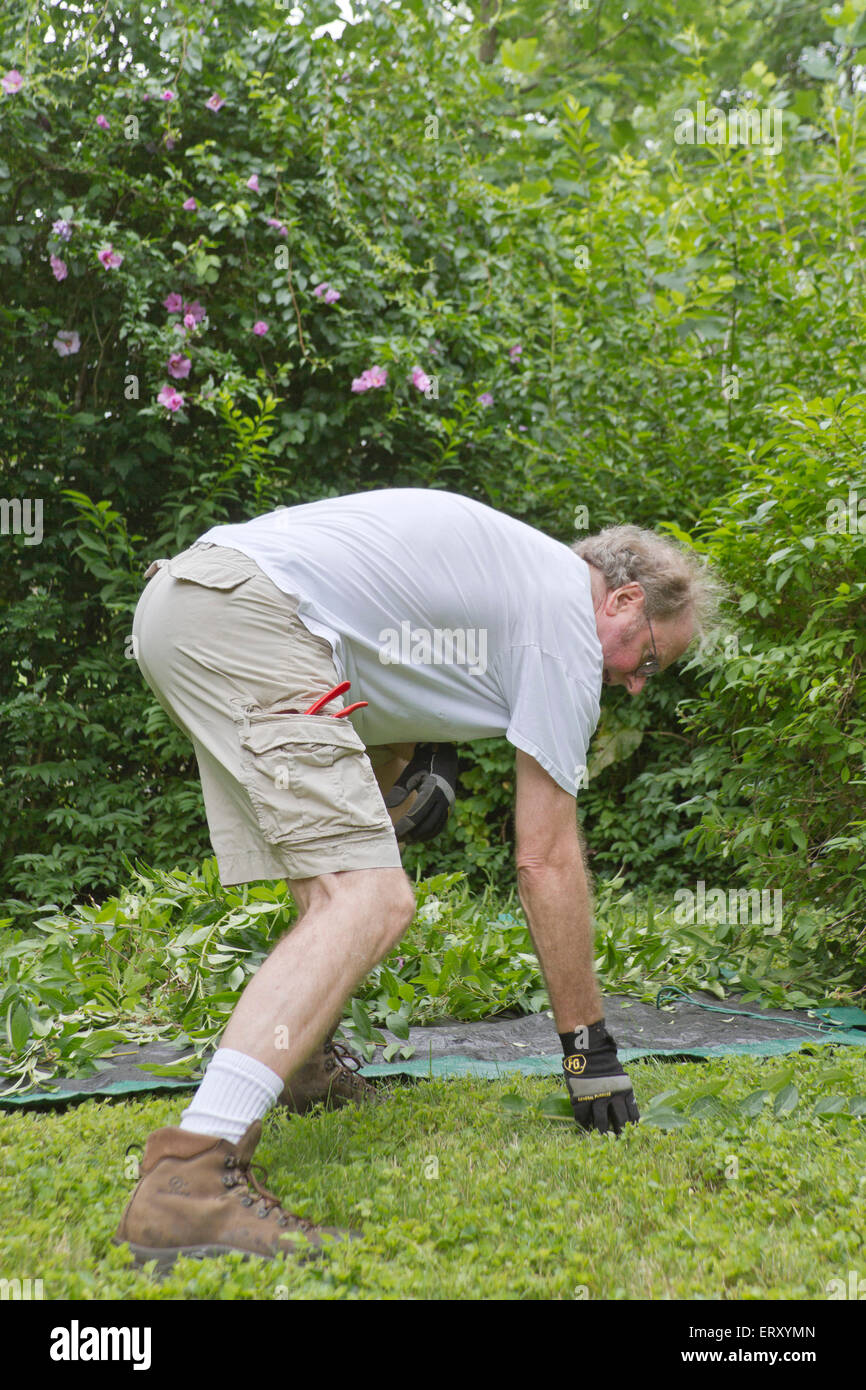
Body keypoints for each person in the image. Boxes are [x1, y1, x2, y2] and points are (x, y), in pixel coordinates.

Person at [113, 488, 720, 1269]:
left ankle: (298, 1065)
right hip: (249, 616)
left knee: (331, 885)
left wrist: (398, 764)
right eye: (651, 659)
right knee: (368, 899)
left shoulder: (515, 578)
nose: (637, 683)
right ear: (624, 601)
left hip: (190, 603)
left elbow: (363, 650)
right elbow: (546, 859)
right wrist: (587, 1054)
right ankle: (189, 1177)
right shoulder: (564, 626)